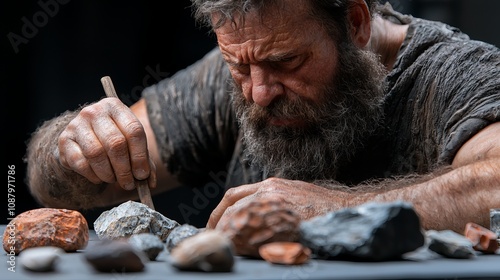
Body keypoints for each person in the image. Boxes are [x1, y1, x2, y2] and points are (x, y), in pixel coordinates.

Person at [25, 0, 499, 233]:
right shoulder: (233, 74)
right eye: (239, 67)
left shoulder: (453, 72)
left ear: (355, 23)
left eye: (288, 63)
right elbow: (47, 185)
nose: (259, 92)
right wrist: (66, 149)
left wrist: (336, 209)